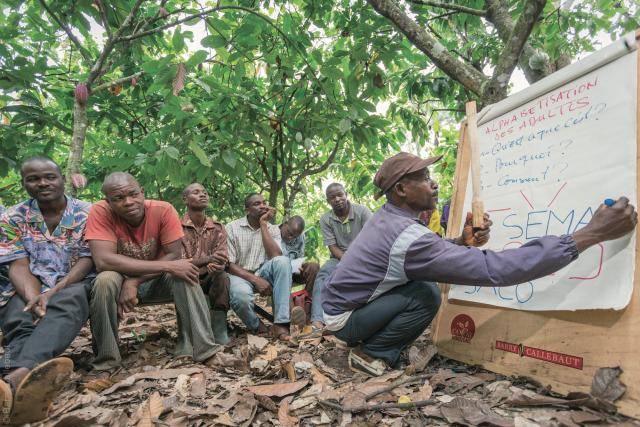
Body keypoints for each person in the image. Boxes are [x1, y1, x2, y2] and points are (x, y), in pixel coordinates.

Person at [322, 152, 637, 376]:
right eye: (424, 178)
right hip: (345, 319)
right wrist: (592, 233)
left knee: (422, 288)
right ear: (401, 189)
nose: (434, 185)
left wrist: (461, 242)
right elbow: (496, 269)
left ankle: (374, 342)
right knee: (426, 294)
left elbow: (417, 252)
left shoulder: (391, 220)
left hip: (345, 307)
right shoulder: (405, 233)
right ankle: (373, 353)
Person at [86, 173, 220, 371]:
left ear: (142, 192)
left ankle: (206, 351)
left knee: (185, 272)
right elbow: (104, 260)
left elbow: (173, 255)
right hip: (118, 278)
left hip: (156, 279)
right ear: (108, 202)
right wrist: (129, 280)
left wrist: (135, 282)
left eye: (133, 194)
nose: (128, 202)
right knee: (104, 281)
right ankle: (107, 361)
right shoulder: (99, 211)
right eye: (118, 198)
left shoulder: (163, 210)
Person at [0, 157, 94, 424]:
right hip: (28, 284)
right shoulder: (13, 217)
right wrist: (33, 298)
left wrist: (53, 292)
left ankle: (17, 375)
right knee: (19, 317)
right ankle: (16, 378)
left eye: (49, 177)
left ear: (61, 178)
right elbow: (17, 264)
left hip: (72, 283)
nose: (42, 183)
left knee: (70, 301)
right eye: (33, 179)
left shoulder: (89, 213)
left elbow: (88, 258)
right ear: (24, 183)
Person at [226, 193, 293, 340]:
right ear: (247, 209)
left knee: (283, 262)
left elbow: (276, 256)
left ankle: (281, 324)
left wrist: (263, 224)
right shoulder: (231, 228)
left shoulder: (272, 228)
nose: (263, 206)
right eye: (257, 204)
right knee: (240, 297)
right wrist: (255, 280)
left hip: (263, 271)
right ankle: (256, 326)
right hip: (239, 274)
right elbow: (228, 264)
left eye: (264, 202)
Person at [312, 183, 372, 330]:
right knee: (323, 275)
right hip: (339, 257)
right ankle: (317, 320)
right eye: (332, 197)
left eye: (340, 194)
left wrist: (356, 260)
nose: (337, 199)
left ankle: (361, 318)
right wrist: (346, 261)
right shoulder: (326, 219)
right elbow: (332, 246)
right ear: (328, 201)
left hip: (363, 256)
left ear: (346, 194)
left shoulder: (362, 211)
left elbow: (372, 239)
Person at [181, 183, 231, 345]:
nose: (203, 195)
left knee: (222, 276)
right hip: (187, 277)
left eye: (205, 192)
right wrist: (209, 259)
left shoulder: (217, 228)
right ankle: (187, 336)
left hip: (209, 276)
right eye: (196, 192)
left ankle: (219, 328)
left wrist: (219, 265)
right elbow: (179, 262)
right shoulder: (175, 227)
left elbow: (222, 257)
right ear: (185, 200)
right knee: (181, 277)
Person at [279, 216, 319, 325]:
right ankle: (294, 316)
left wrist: (300, 267)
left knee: (313, 267)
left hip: (294, 271)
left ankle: (308, 309)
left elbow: (299, 256)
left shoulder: (300, 237)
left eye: (294, 236)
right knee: (282, 270)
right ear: (285, 223)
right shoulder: (273, 233)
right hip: (279, 273)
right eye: (289, 233)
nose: (291, 237)